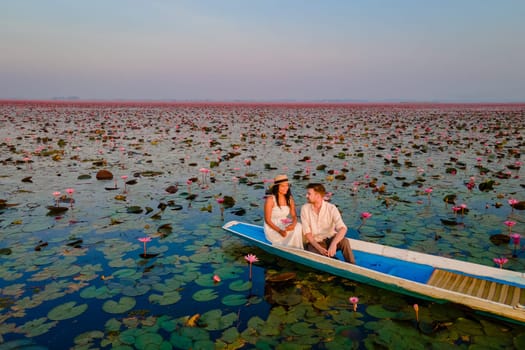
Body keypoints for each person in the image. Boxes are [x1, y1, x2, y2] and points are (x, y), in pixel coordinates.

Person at [300, 183, 355, 263]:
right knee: (314, 255)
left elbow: (343, 228)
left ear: (318, 195)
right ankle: (334, 262)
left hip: (330, 239)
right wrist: (319, 248)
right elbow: (307, 233)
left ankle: (352, 264)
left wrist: (334, 244)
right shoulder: (305, 208)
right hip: (315, 242)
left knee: (344, 241)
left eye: (309, 194)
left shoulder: (331, 208)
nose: (306, 196)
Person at [264, 175, 304, 249]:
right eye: (282, 186)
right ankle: (287, 247)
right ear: (277, 187)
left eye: (287, 185)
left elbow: (294, 215)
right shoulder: (270, 200)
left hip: (284, 222)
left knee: (298, 226)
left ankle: (295, 248)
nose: (286, 188)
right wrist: (280, 231)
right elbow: (267, 220)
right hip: (273, 226)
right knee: (291, 231)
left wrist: (293, 224)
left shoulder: (290, 199)